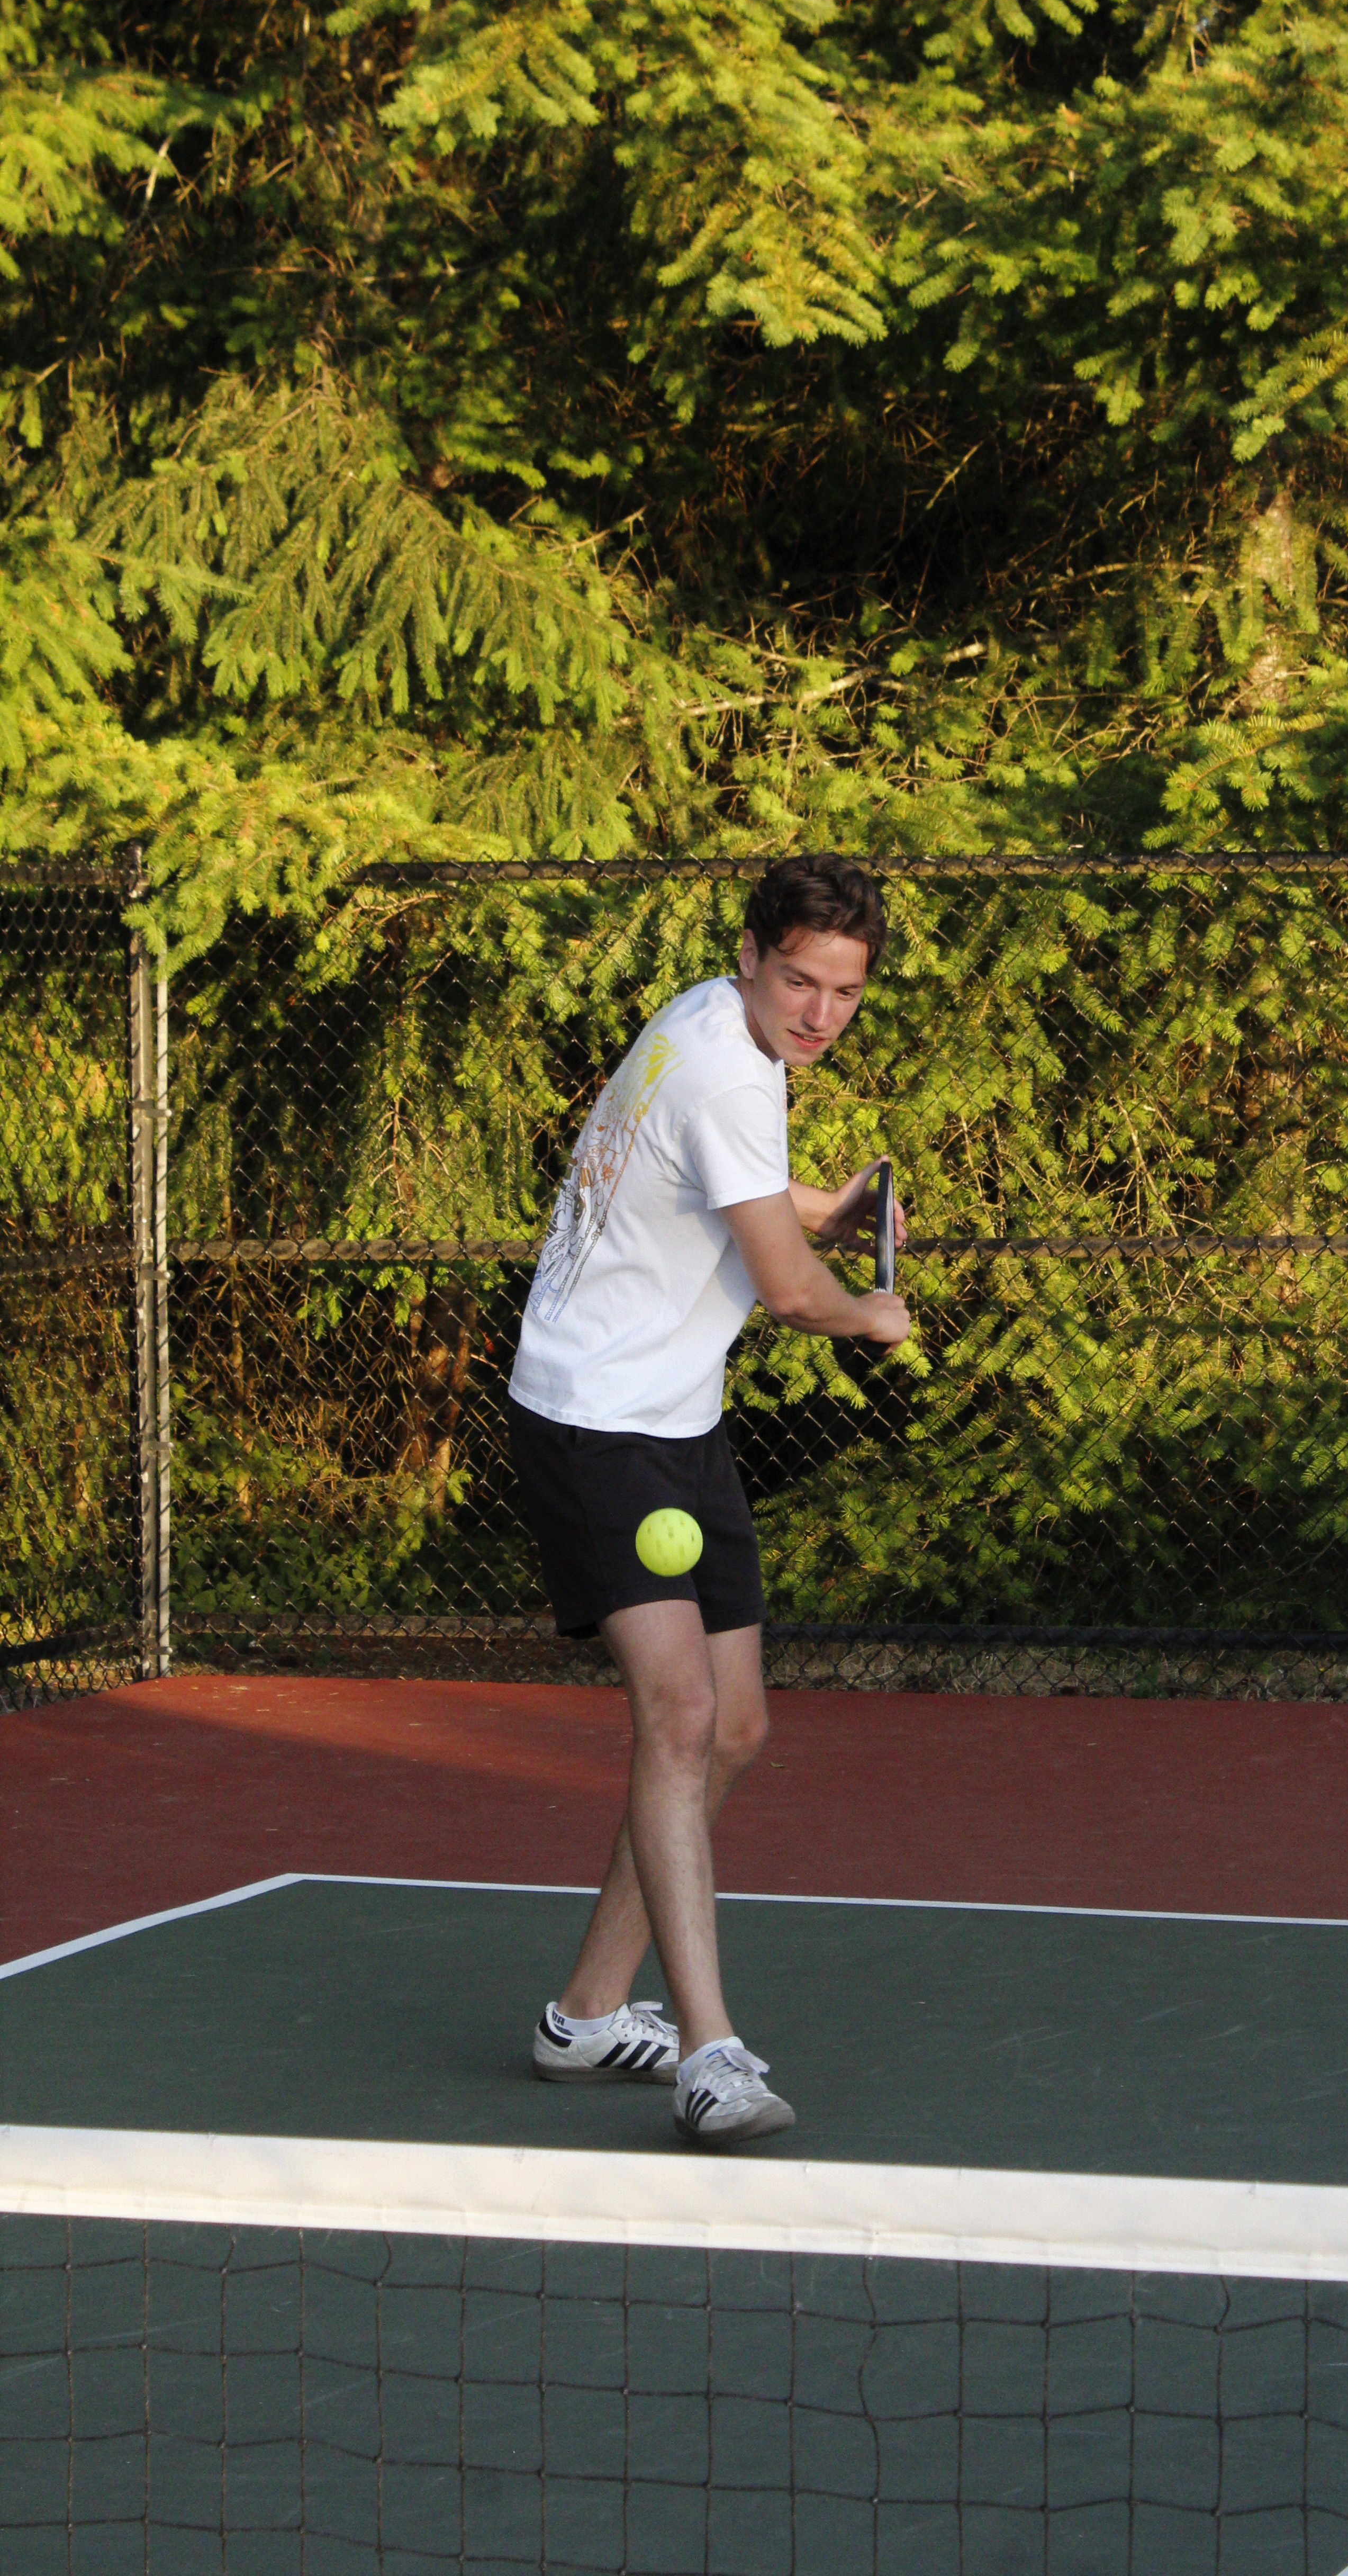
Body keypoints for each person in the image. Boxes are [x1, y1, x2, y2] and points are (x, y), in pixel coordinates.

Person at [505, 855, 909, 2147]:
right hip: (592, 1419)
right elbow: (791, 1296)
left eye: (844, 991)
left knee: (733, 1731)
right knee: (676, 1712)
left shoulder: (707, 1029)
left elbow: (731, 1196)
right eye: (799, 981)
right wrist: (872, 1314)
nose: (818, 1014)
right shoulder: (732, 1066)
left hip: (675, 1418)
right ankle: (711, 2053)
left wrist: (831, 1210)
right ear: (750, 955)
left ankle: (583, 2015)